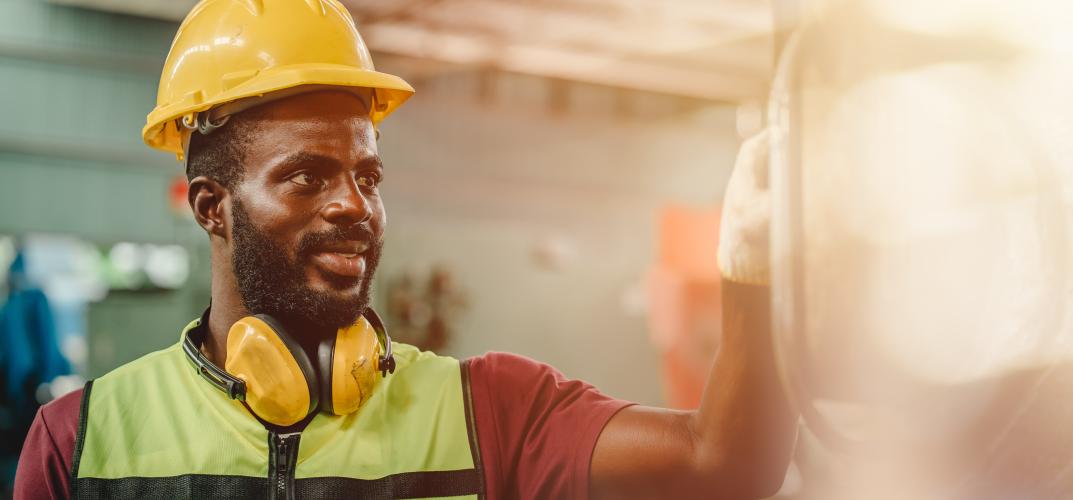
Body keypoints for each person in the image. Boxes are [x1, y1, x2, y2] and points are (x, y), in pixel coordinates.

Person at [9, 0, 792, 498]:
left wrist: (753, 266)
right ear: (214, 208)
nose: (354, 204)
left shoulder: (489, 414)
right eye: (308, 177)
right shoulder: (83, 444)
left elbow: (724, 463)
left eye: (367, 173)